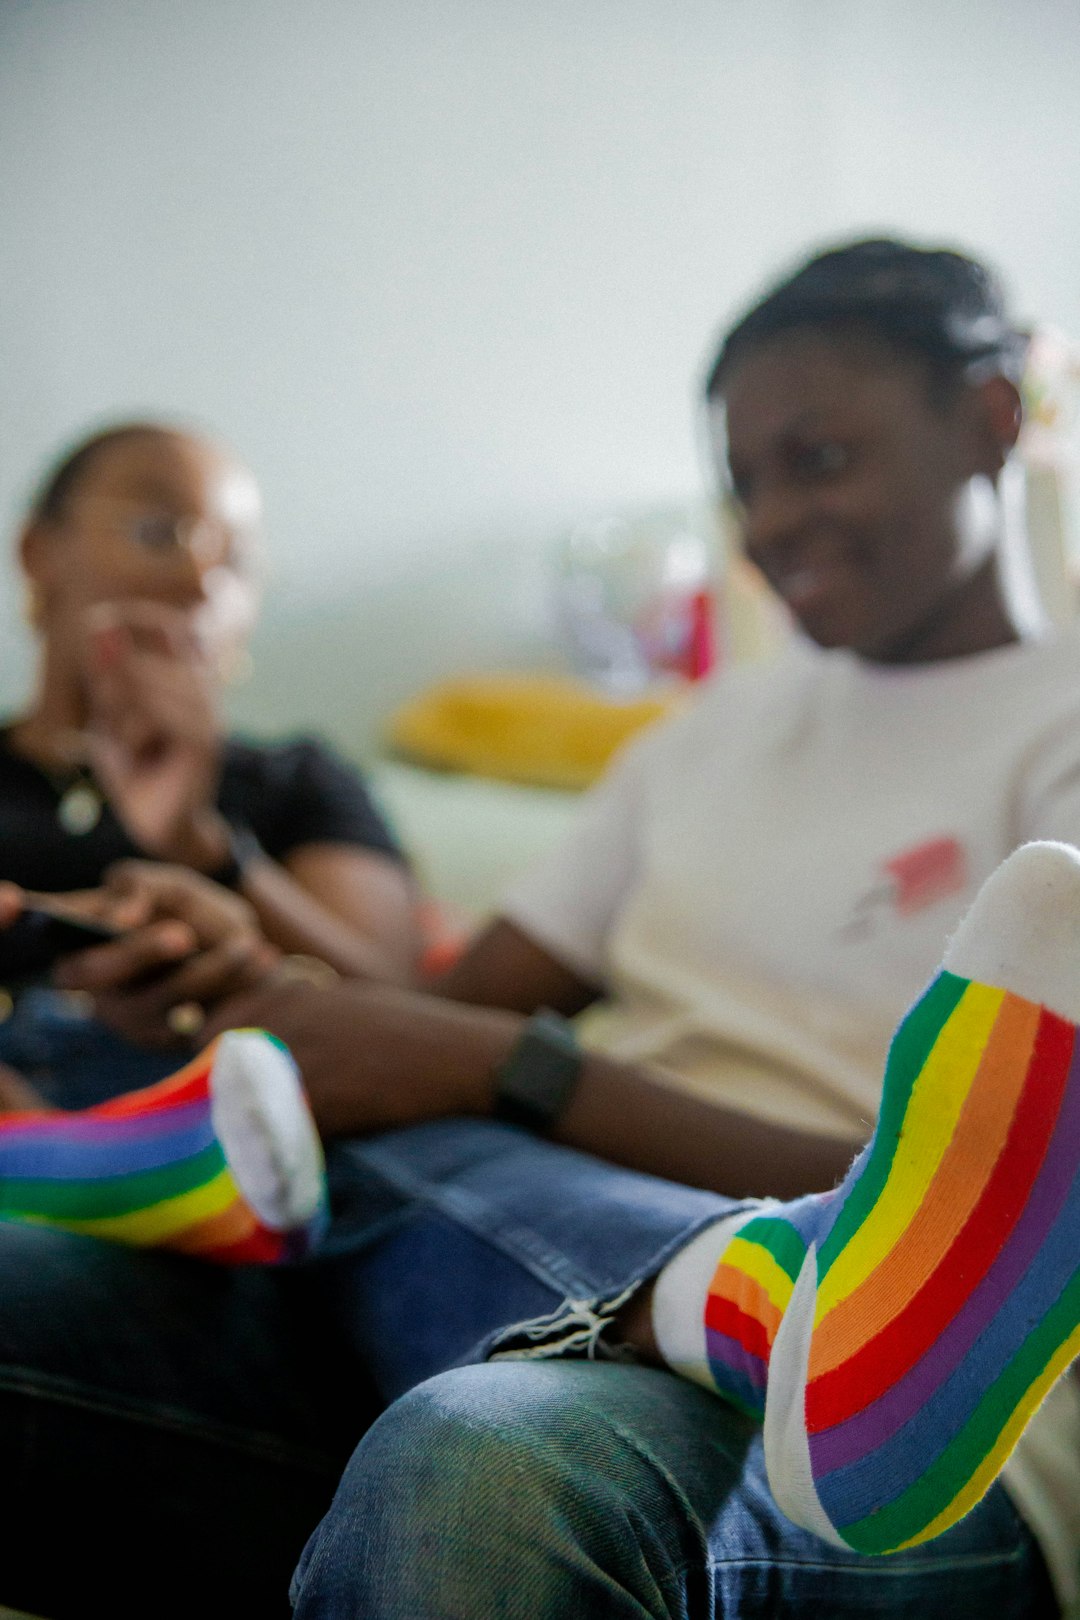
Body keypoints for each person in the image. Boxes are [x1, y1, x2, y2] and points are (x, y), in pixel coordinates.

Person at [2, 239, 1077, 1618]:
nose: (778, 525)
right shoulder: (704, 741)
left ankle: (778, 1297)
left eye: (821, 459)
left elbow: (1020, 1204)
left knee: (482, 1470)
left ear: (994, 417)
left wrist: (519, 1072)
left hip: (926, 1435)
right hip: (486, 1304)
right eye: (747, 486)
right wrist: (235, 909)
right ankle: (743, 1296)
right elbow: (430, 1017)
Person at [0, 420, 419, 1107]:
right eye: (159, 531)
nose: (200, 580)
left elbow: (409, 1022)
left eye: (236, 562)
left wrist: (208, 849)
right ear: (37, 551)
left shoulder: (299, 779)